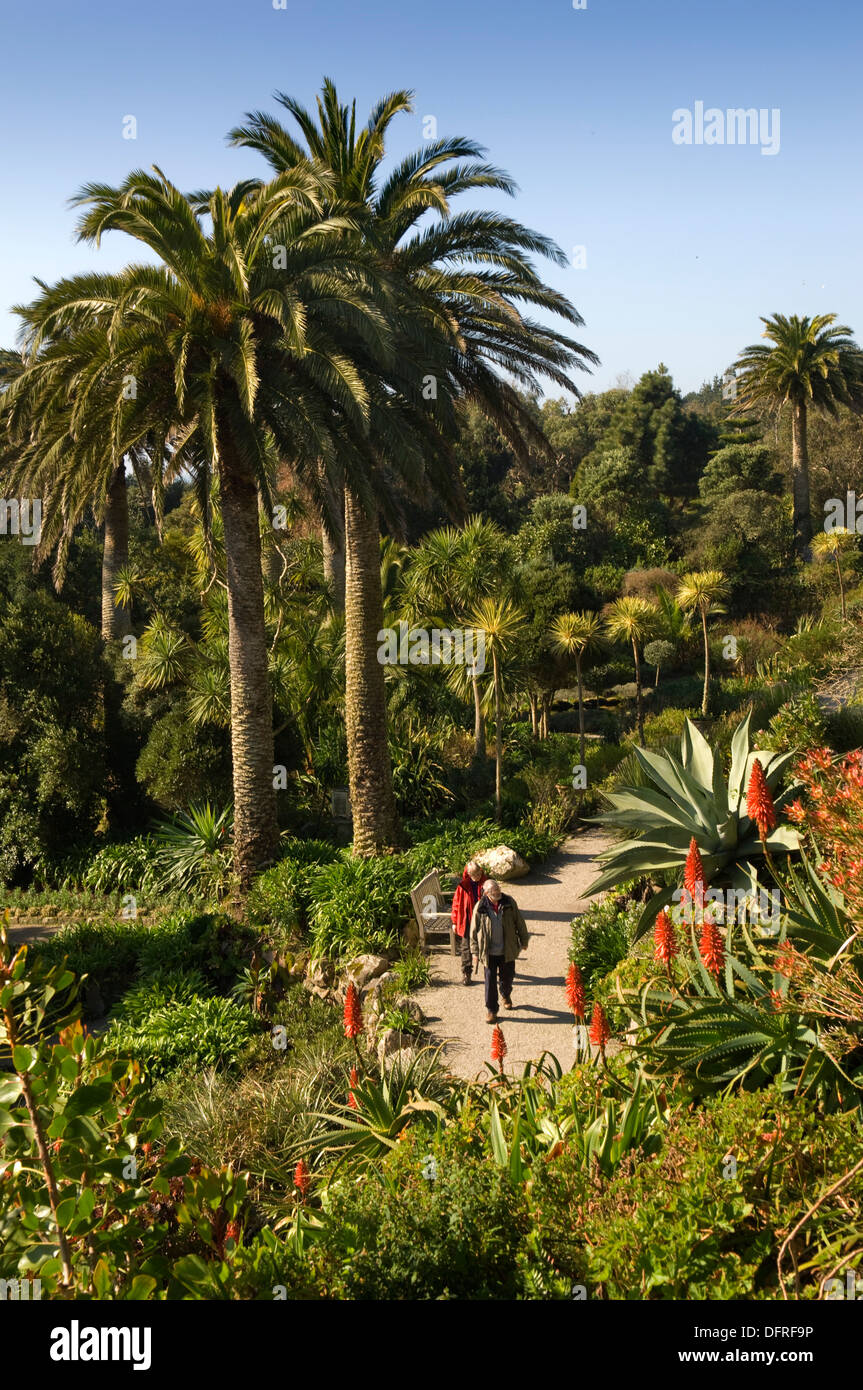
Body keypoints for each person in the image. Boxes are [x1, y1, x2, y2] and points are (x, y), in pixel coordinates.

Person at [469, 879, 529, 1023]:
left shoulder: (509, 903)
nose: (497, 893)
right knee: (489, 982)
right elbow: (473, 931)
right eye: (494, 892)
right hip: (488, 952)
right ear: (486, 893)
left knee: (507, 977)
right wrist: (475, 952)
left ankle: (506, 994)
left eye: (498, 890)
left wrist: (524, 940)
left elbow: (519, 921)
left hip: (506, 950)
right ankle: (491, 1010)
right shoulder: (480, 907)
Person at [450, 860, 487, 985]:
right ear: (469, 874)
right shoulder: (463, 886)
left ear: (480, 871)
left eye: (478, 874)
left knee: (487, 944)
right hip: (467, 920)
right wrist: (454, 922)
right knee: (466, 947)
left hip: (482, 920)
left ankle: (491, 969)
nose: (477, 877)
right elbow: (456, 904)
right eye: (474, 875)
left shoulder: (486, 883)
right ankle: (466, 973)